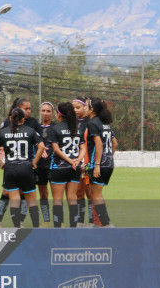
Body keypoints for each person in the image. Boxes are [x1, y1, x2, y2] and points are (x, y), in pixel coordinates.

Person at [0, 108, 45, 228]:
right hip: (26, 168)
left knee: (14, 199)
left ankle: (16, 228)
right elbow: (41, 146)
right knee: (31, 200)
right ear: (23, 119)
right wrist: (34, 162)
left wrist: (1, 163)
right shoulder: (30, 131)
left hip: (10, 169)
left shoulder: (3, 132)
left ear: (11, 118)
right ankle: (36, 227)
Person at [47, 102, 85, 228]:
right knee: (72, 198)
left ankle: (58, 228)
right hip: (75, 168)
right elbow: (83, 148)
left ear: (59, 114)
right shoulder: (77, 128)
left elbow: (56, 150)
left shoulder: (55, 129)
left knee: (57, 199)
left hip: (59, 167)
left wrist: (69, 161)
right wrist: (77, 161)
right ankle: (73, 227)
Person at [85, 97, 118, 227]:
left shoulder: (92, 123)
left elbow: (98, 144)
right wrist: (108, 157)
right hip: (109, 163)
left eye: (86, 106)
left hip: (98, 163)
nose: (84, 108)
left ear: (92, 110)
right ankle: (103, 222)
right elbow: (115, 143)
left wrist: (98, 164)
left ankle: (106, 224)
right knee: (97, 193)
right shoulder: (105, 123)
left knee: (96, 194)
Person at [34, 102, 55, 227]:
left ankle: (59, 220)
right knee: (43, 194)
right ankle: (46, 220)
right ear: (40, 111)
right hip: (40, 166)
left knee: (56, 194)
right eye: (43, 110)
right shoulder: (35, 128)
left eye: (48, 111)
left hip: (53, 165)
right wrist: (39, 151)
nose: (45, 113)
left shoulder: (56, 127)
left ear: (52, 113)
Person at [72, 96, 91, 226]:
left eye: (77, 107)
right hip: (75, 162)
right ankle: (80, 221)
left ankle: (91, 220)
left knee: (90, 193)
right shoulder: (70, 123)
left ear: (85, 107)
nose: (75, 110)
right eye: (73, 108)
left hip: (88, 162)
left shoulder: (90, 123)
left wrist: (87, 162)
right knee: (79, 193)